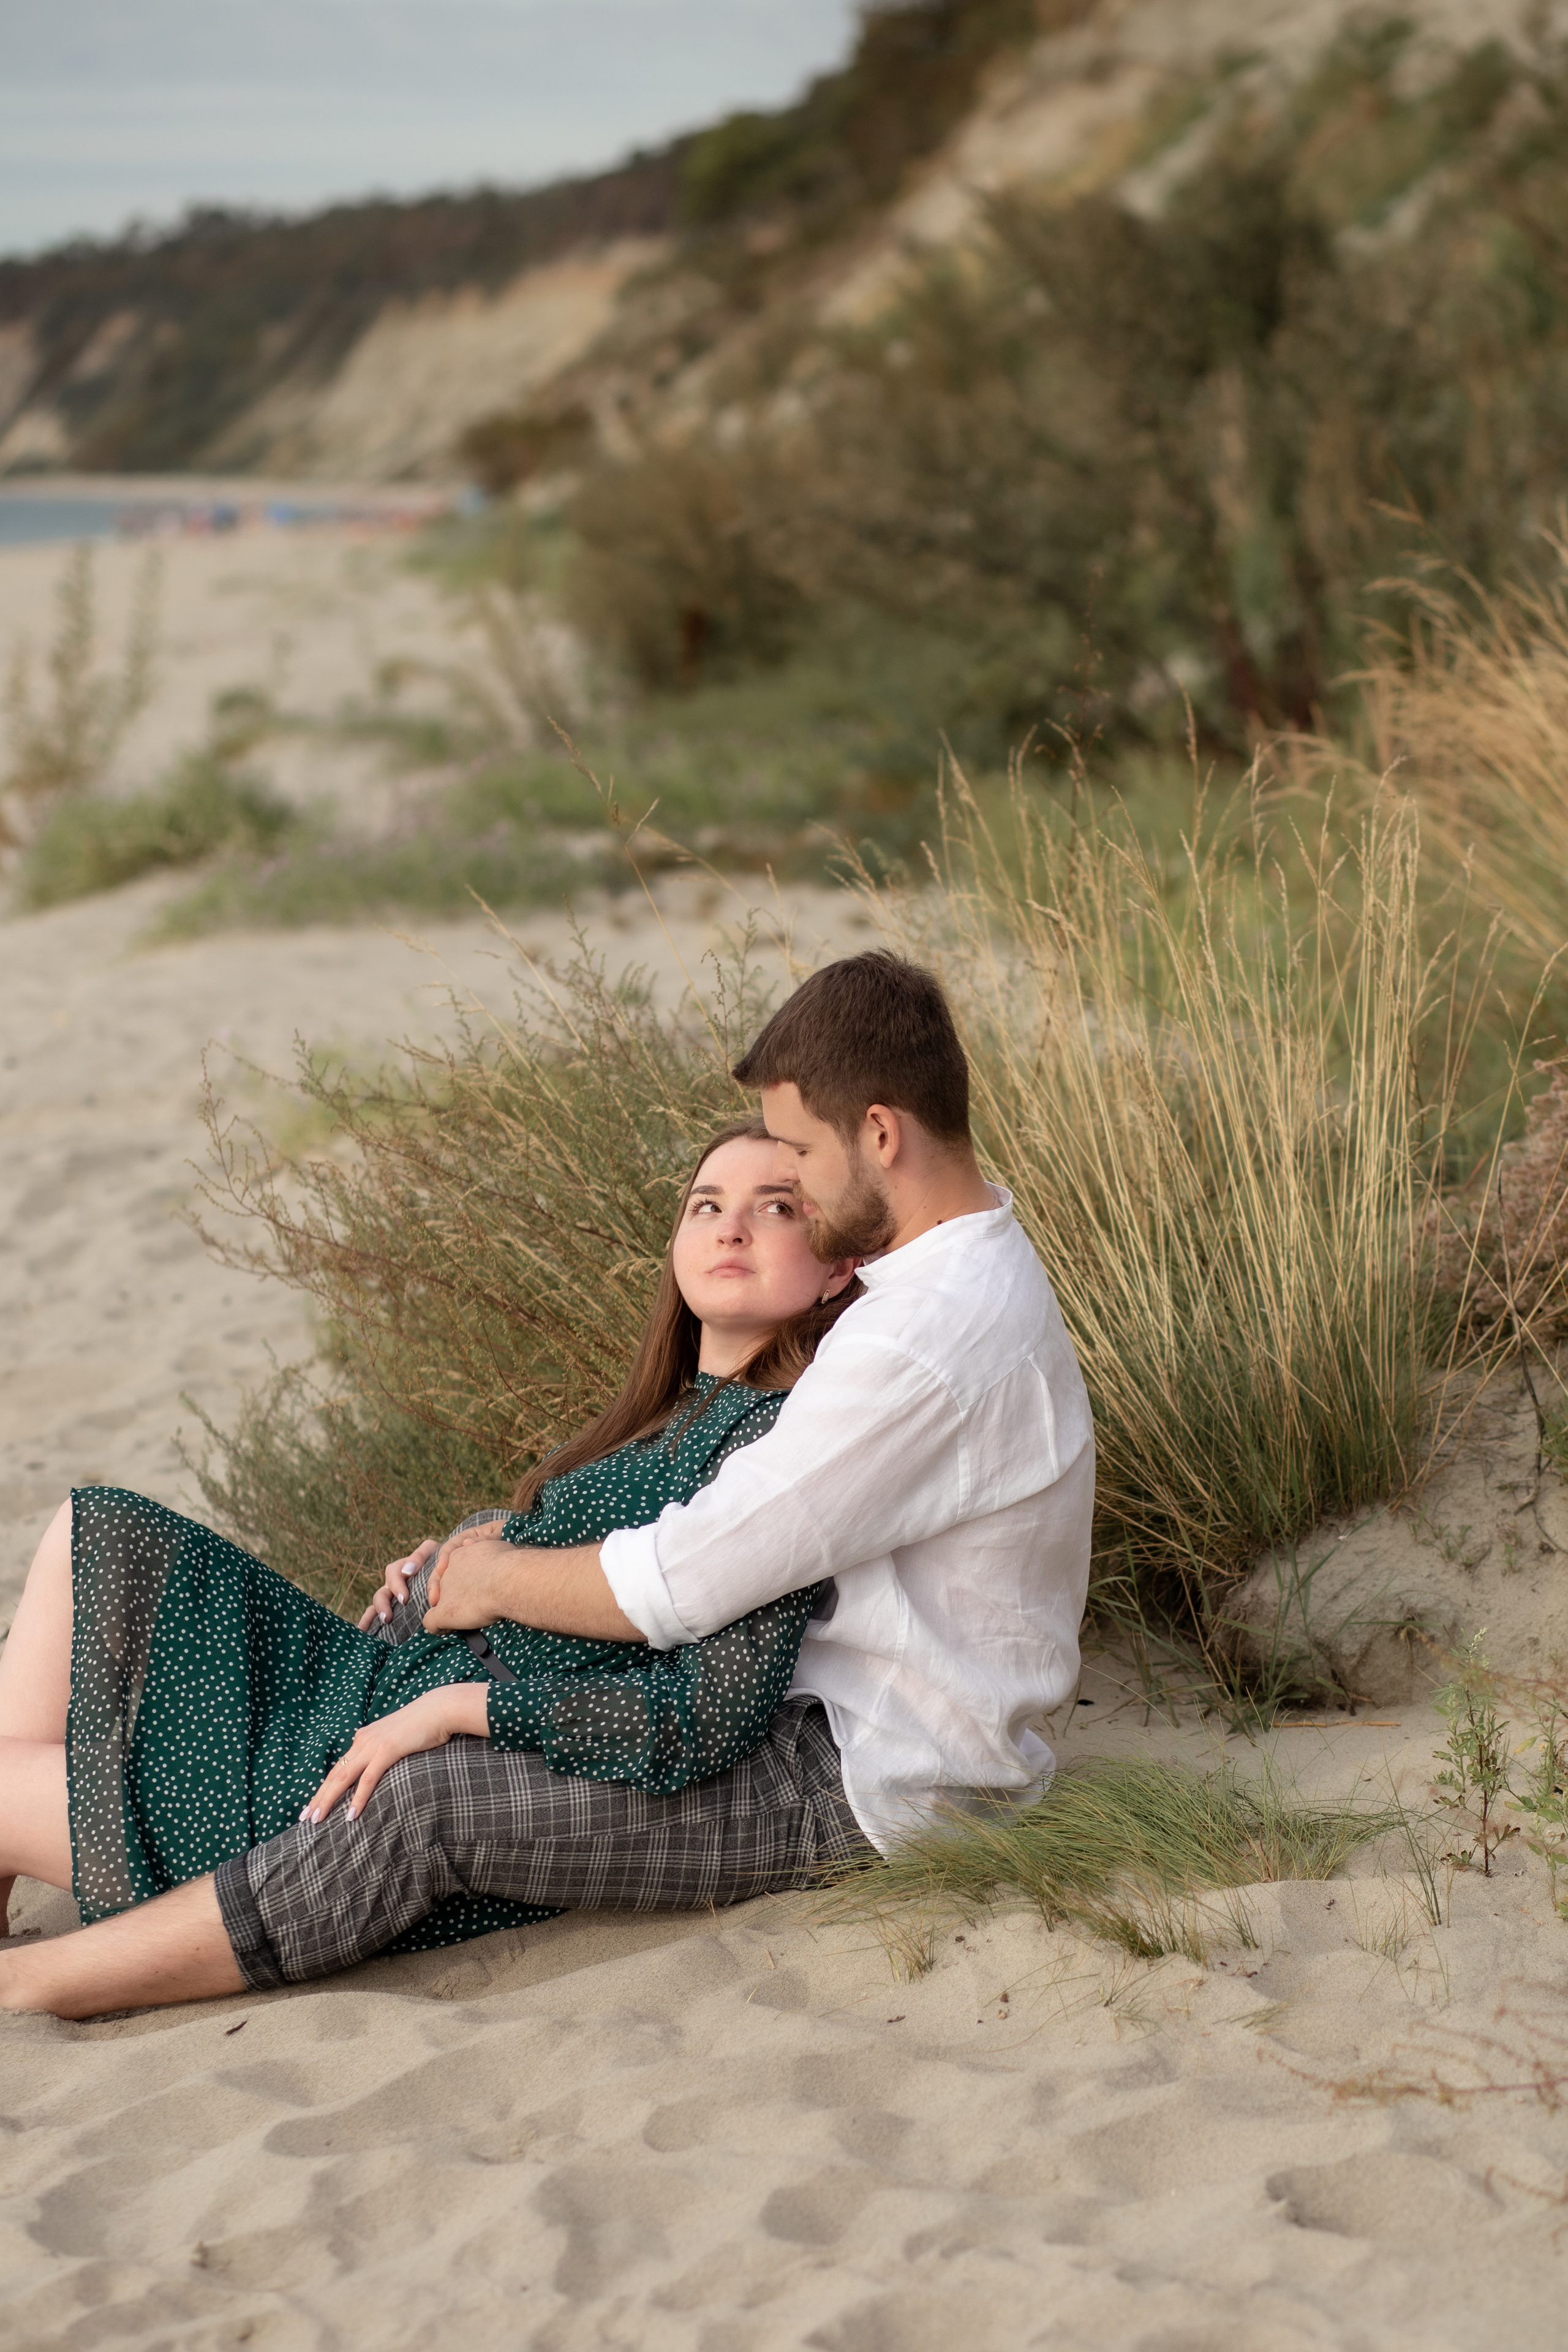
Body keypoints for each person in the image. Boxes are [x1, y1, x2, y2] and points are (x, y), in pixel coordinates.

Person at [0, 951, 1095, 2018]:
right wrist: (480, 1551)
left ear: (882, 1134)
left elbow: (684, 1586)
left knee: (410, 1801)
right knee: (111, 1548)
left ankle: (38, 1977)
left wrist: (487, 1599)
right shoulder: (945, 1280)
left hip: (868, 1775)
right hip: (796, 1706)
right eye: (712, 1201)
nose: (783, 1192)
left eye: (795, 1164)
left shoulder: (916, 1347)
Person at [0, 1121, 862, 2005]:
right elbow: (578, 1546)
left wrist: (468, 1707)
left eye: (778, 1208)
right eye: (707, 1205)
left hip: (416, 1745)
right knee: (93, 1526)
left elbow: (701, 1716)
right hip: (384, 1673)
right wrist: (462, 1550)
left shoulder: (778, 1451)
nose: (730, 1228)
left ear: (836, 1265)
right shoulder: (666, 1412)